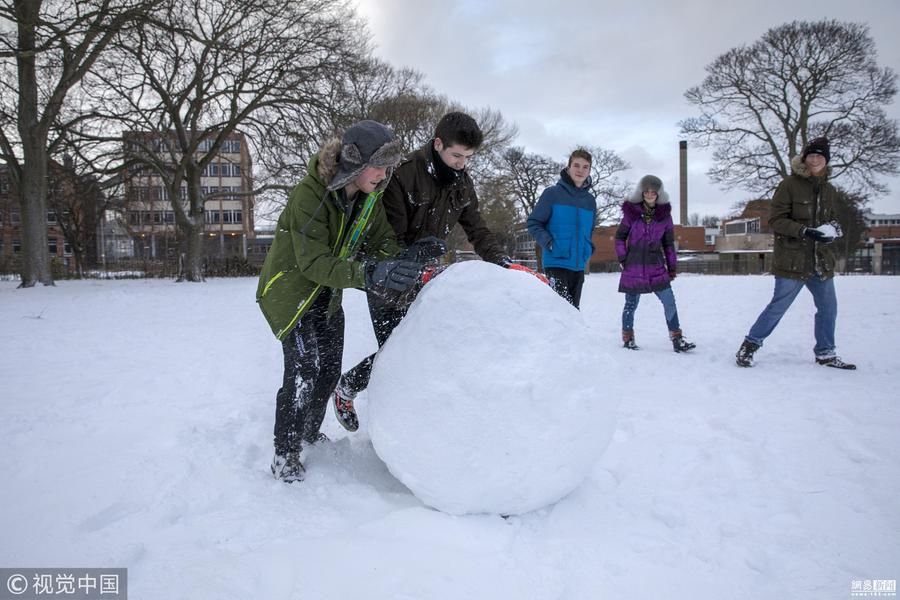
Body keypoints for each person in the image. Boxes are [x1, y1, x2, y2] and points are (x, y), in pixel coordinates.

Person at [256, 120, 425, 483]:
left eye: (388, 166)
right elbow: (314, 263)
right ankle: (285, 453)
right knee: (303, 370)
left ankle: (308, 434)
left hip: (327, 293)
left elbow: (381, 243)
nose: (385, 175)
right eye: (379, 166)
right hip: (293, 293)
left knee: (329, 370)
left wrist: (406, 261)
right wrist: (367, 275)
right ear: (354, 162)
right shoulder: (310, 195)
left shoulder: (369, 197)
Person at [331, 111, 515, 432]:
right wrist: (411, 259)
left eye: (467, 157)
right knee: (396, 355)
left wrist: (499, 260)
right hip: (389, 277)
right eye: (456, 155)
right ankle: (349, 389)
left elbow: (477, 228)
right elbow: (388, 237)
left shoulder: (462, 183)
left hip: (427, 280)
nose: (461, 163)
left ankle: (425, 422)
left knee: (425, 352)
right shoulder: (403, 175)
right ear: (438, 143)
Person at [735, 137, 855, 369]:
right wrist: (804, 231)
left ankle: (826, 353)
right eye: (812, 155)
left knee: (829, 308)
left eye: (820, 156)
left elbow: (832, 219)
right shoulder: (789, 185)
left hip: (820, 261)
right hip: (792, 260)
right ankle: (749, 345)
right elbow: (776, 220)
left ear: (826, 160)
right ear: (804, 159)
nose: (816, 159)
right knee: (778, 306)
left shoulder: (829, 189)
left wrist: (834, 230)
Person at [615, 175, 695, 353]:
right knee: (630, 304)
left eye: (654, 191)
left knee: (669, 302)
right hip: (633, 266)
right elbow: (620, 237)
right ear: (641, 192)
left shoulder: (665, 217)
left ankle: (677, 338)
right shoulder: (631, 214)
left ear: (659, 193)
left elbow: (668, 244)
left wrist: (672, 267)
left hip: (656, 266)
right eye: (647, 191)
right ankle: (628, 338)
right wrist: (623, 258)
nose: (650, 194)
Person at [526, 148, 597, 308]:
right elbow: (534, 223)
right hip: (556, 263)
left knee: (573, 314)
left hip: (579, 266)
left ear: (589, 170)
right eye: (576, 165)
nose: (580, 170)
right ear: (568, 167)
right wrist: (549, 243)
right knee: (559, 314)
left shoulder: (590, 201)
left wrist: (588, 248)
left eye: (585, 167)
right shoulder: (552, 194)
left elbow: (590, 230)